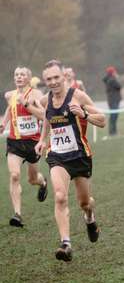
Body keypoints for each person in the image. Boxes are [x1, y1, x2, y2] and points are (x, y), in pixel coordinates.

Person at [34, 60, 106, 262]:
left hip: (79, 156)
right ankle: (66, 244)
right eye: (49, 79)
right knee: (59, 196)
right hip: (57, 156)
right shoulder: (44, 100)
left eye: (56, 77)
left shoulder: (78, 96)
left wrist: (83, 114)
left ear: (64, 76)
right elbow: (47, 118)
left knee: (84, 202)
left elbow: (102, 120)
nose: (53, 82)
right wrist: (42, 140)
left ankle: (90, 218)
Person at [0, 67, 48, 227]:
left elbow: (44, 116)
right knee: (14, 175)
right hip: (14, 142)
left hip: (33, 143)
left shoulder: (36, 95)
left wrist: (26, 103)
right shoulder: (10, 95)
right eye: (16, 75)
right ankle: (17, 214)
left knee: (32, 179)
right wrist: (3, 122)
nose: (19, 77)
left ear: (28, 78)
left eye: (22, 75)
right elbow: (10, 108)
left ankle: (43, 183)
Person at [102, 66, 122, 136]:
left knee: (113, 116)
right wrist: (116, 78)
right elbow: (119, 86)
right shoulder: (112, 80)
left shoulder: (108, 79)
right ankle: (113, 132)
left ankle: (113, 131)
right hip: (114, 100)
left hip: (112, 100)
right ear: (112, 72)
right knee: (114, 116)